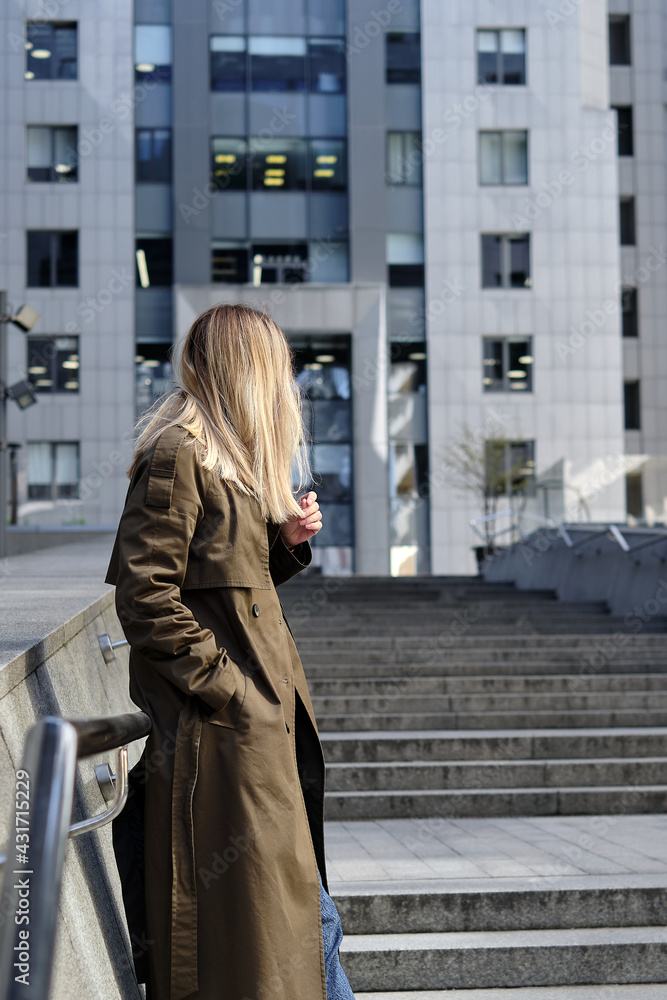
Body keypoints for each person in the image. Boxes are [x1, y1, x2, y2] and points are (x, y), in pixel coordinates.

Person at [104, 303, 356, 1000]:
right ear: (248, 371)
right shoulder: (178, 453)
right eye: (277, 367)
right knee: (293, 930)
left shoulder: (228, 463)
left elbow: (221, 586)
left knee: (303, 925)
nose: (287, 385)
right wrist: (228, 693)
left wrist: (284, 546)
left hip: (256, 738)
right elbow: (145, 595)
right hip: (220, 744)